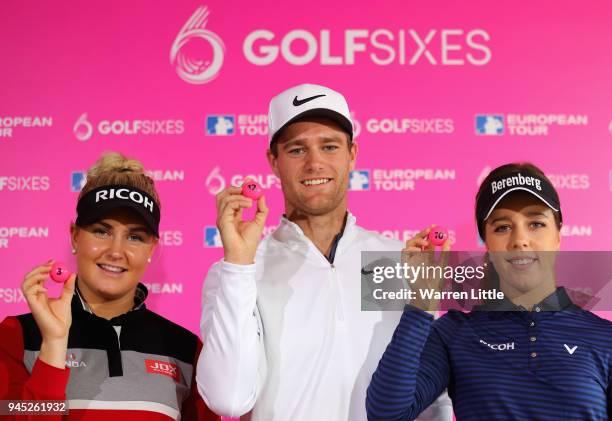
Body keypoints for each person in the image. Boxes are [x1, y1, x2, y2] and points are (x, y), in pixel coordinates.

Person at [196, 83, 452, 421]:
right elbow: (229, 399)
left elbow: (434, 397)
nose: (315, 163)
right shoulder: (239, 270)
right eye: (297, 150)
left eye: (329, 146)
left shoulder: (398, 260)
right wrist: (238, 267)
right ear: (274, 161)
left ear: (352, 155)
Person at [366, 163, 612, 420]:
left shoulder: (604, 338)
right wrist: (421, 303)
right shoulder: (454, 332)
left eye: (536, 223)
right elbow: (386, 414)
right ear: (487, 243)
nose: (520, 239)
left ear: (558, 235)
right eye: (502, 227)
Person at [0, 152, 220, 421]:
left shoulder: (185, 350)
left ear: (151, 248)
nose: (116, 251)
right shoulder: (17, 336)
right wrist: (54, 344)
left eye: (135, 237)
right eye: (101, 231)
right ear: (74, 236)